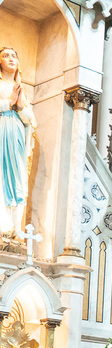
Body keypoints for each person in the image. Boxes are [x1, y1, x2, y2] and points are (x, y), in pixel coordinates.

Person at [0, 47, 35, 238]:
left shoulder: (23, 91)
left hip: (17, 137)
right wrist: (9, 103)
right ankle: (3, 226)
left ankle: (16, 228)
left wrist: (20, 106)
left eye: (14, 55)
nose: (11, 59)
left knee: (18, 179)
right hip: (1, 131)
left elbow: (31, 119)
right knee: (1, 176)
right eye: (6, 56)